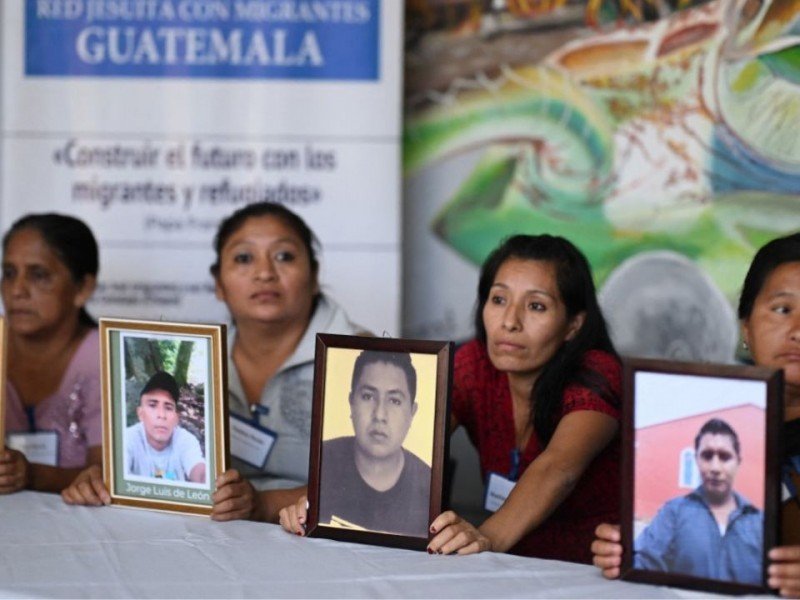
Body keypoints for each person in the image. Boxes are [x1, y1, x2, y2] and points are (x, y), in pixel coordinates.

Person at [280, 234, 621, 564]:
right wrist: (316, 504)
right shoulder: (475, 364)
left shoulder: (598, 373)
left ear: (574, 325)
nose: (510, 322)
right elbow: (398, 443)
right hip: (508, 567)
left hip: (590, 571)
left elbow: (558, 468)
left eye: (536, 306)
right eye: (498, 300)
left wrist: (487, 538)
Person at [62, 202, 365, 521]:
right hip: (220, 537)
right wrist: (112, 480)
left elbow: (374, 485)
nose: (265, 273)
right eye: (244, 258)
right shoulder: (203, 358)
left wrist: (262, 504)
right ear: (218, 284)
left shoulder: (360, 358)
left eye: (284, 256)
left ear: (314, 276)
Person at [592, 232, 800, 598]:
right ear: (746, 327)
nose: (797, 331)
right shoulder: (689, 424)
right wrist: (629, 550)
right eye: (783, 310)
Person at [0, 213, 101, 494]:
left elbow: (109, 475)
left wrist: (32, 475)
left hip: (80, 520)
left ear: (82, 289)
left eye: (38, 275)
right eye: (9, 273)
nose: (17, 290)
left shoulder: (103, 359)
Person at [633, 418, 762, 584]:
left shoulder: (760, 523)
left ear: (738, 462)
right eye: (707, 456)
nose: (715, 467)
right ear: (696, 459)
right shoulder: (674, 512)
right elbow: (642, 563)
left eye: (725, 457)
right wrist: (618, 557)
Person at [318, 350, 431, 536]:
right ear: (351, 402)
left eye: (394, 401)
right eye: (368, 397)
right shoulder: (322, 460)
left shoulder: (428, 484)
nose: (379, 415)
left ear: (412, 412)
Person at [125, 371, 205, 483]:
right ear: (140, 414)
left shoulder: (186, 440)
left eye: (168, 407)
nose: (162, 415)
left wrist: (212, 483)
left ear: (176, 418)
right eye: (153, 405)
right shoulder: (127, 439)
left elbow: (199, 470)